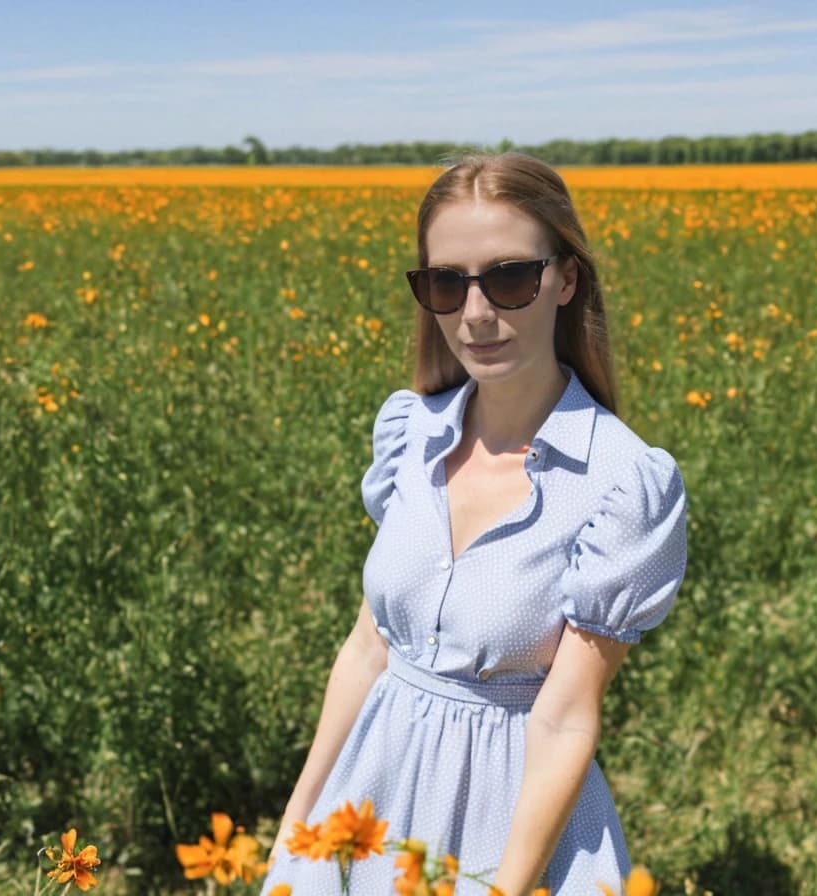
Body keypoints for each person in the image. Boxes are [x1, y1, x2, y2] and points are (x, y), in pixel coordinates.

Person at [260, 153, 687, 896]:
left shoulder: (623, 484)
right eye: (447, 284)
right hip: (370, 796)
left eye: (511, 278)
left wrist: (506, 888)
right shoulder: (409, 434)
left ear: (566, 279)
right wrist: (293, 833)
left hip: (505, 824)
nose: (477, 313)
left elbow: (564, 719)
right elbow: (368, 650)